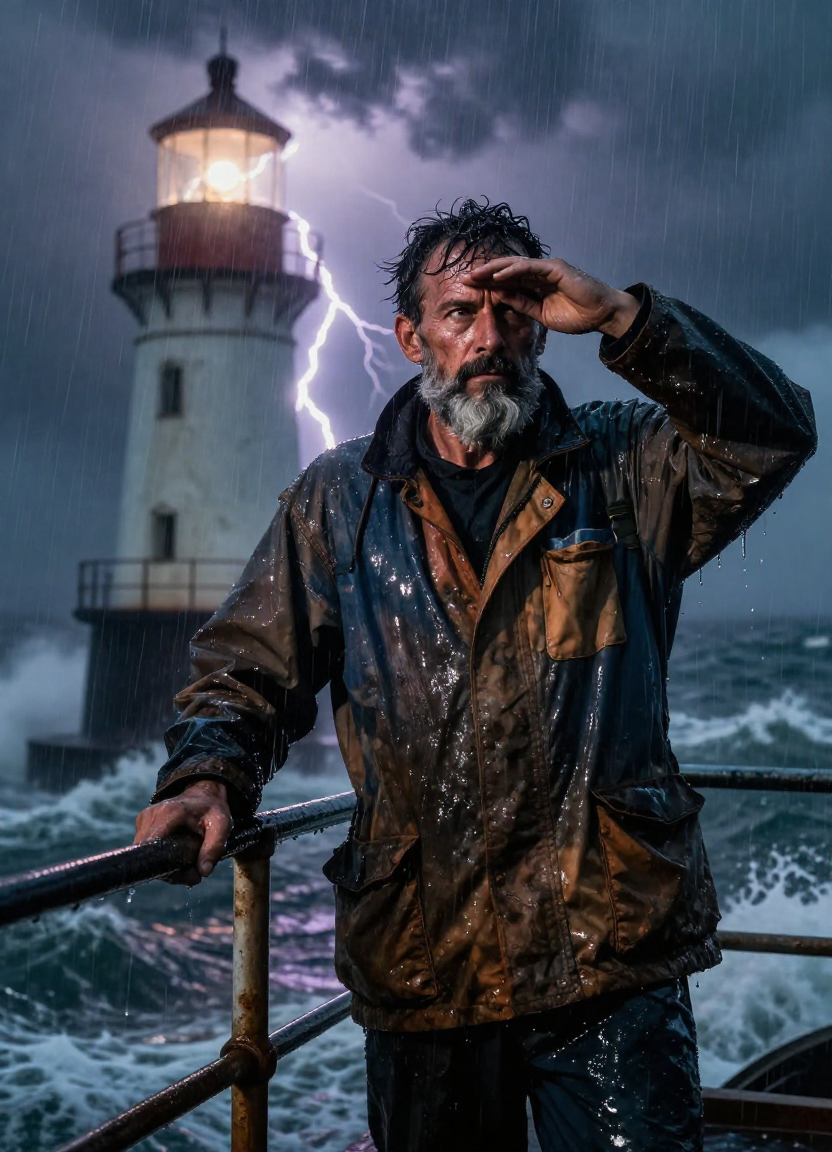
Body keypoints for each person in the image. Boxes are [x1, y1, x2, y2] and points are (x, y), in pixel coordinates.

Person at [133, 200, 816, 1152]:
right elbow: (248, 669)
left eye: (515, 306)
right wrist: (209, 775)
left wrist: (625, 315)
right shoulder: (340, 499)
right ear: (412, 337)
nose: (489, 337)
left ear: (544, 320)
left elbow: (773, 432)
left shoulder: (621, 467)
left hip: (608, 964)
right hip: (428, 964)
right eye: (461, 312)